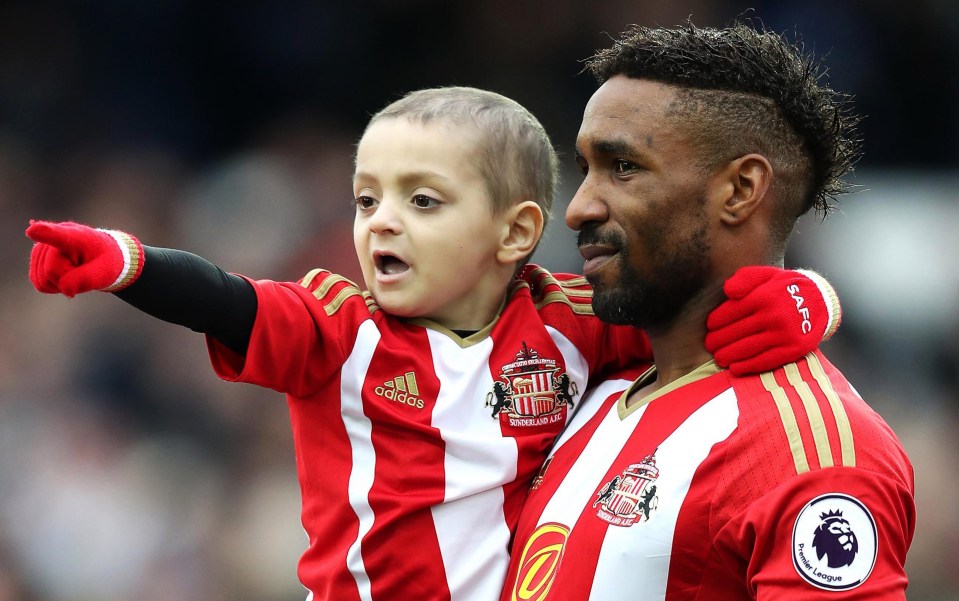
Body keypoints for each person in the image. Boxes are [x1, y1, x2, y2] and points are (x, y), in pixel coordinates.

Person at [26, 87, 840, 600]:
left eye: (422, 200)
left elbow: (697, 306)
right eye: (366, 197)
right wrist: (129, 263)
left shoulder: (571, 321)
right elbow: (233, 304)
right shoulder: (340, 331)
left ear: (514, 231)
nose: (381, 220)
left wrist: (811, 299)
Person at [500, 21, 915, 601]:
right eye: (586, 167)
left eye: (623, 168)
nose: (578, 207)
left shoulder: (813, 450)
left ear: (741, 189)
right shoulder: (583, 386)